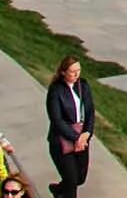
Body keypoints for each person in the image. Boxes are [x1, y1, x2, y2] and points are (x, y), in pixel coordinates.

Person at [45, 55, 96, 198]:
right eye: (72, 71)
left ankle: (59, 190)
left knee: (79, 178)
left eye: (78, 70)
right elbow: (57, 120)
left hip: (81, 138)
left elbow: (90, 111)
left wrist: (87, 133)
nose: (76, 74)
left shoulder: (83, 86)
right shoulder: (56, 90)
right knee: (71, 180)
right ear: (63, 72)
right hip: (61, 142)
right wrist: (76, 138)